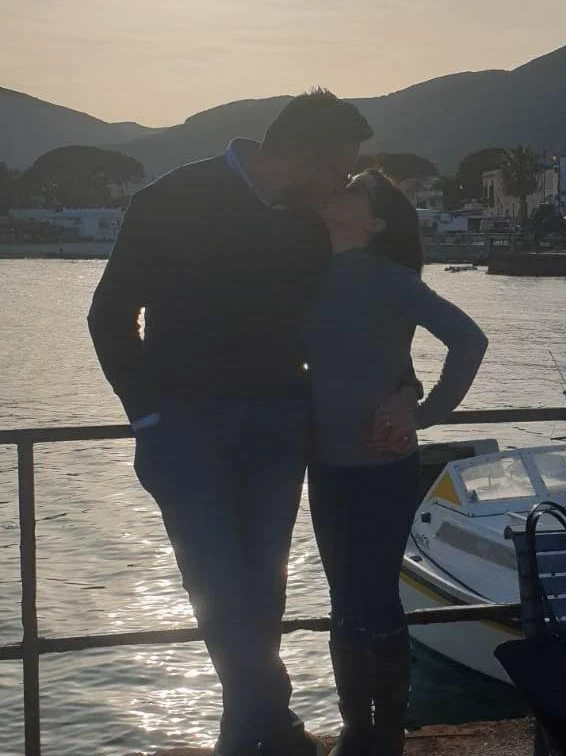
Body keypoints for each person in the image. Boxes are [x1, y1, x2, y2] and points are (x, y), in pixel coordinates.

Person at [88, 90, 413, 756]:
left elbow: (364, 316)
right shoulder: (168, 200)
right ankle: (269, 722)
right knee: (216, 584)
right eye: (339, 168)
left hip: (279, 425)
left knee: (262, 590)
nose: (343, 183)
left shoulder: (309, 224)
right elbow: (109, 315)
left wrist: (405, 390)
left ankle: (256, 734)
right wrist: (147, 417)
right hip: (182, 428)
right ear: (307, 156)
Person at [305, 171, 488, 755]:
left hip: (383, 466)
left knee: (377, 597)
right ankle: (355, 727)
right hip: (324, 465)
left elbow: (469, 340)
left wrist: (425, 412)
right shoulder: (302, 274)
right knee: (342, 600)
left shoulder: (390, 279)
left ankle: (385, 732)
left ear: (373, 223)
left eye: (355, 190)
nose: (339, 188)